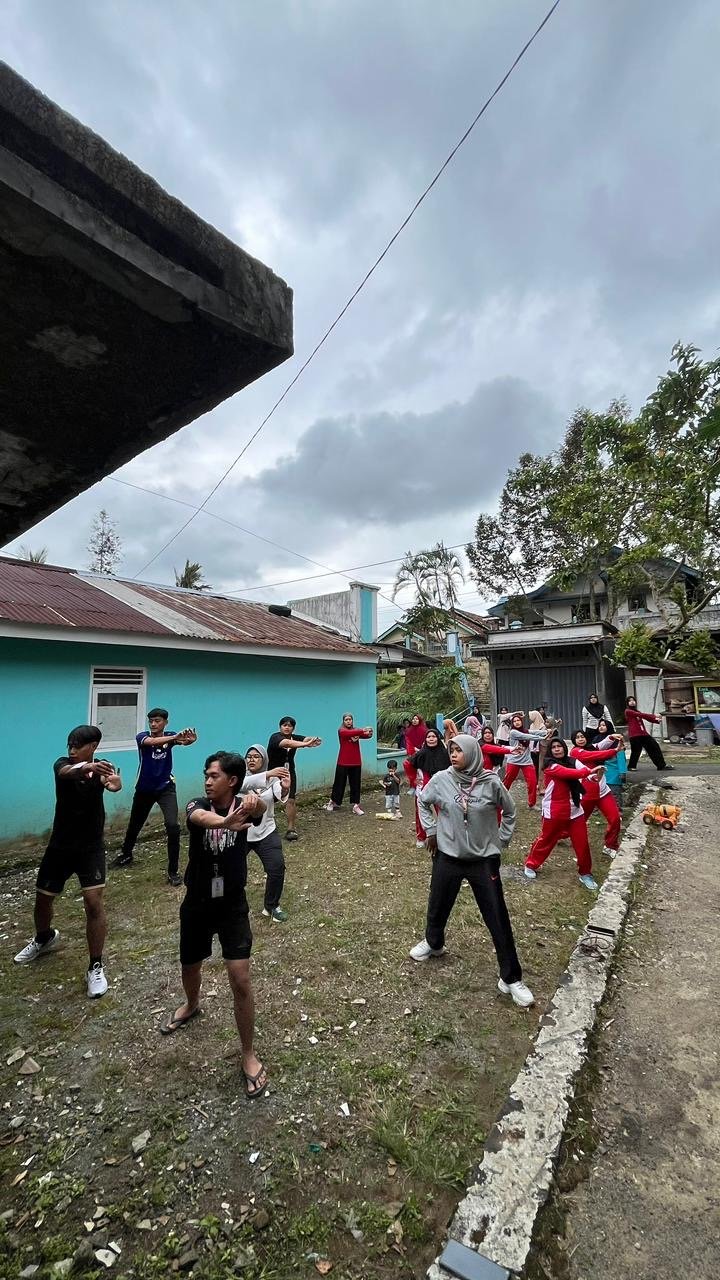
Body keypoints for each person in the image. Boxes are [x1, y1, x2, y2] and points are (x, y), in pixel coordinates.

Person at [160, 751, 268, 1099]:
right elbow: (199, 817)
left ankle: (248, 1053)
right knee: (190, 964)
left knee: (240, 977)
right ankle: (192, 1004)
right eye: (206, 775)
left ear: (232, 781)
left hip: (232, 904)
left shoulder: (244, 805)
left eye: (214, 776)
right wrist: (225, 822)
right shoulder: (198, 804)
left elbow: (261, 809)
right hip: (198, 903)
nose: (207, 781)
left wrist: (254, 804)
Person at [409, 734, 534, 1009]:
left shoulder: (491, 782)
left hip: (482, 859)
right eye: (451, 750)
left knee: (496, 915)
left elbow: (510, 811)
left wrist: (501, 840)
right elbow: (423, 800)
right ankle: (433, 943)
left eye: (459, 750)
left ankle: (511, 978)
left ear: (473, 753)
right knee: (438, 903)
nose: (453, 754)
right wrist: (431, 830)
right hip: (448, 855)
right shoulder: (442, 779)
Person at [14, 725, 122, 998]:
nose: (72, 750)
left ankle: (95, 966)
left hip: (91, 848)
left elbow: (113, 782)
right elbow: (66, 772)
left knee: (94, 904)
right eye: (70, 745)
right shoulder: (62, 765)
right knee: (43, 900)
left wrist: (114, 783)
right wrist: (86, 767)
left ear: (93, 746)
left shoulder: (103, 768)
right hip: (60, 847)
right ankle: (44, 938)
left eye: (78, 746)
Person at [113, 708, 197, 885]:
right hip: (144, 789)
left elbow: (182, 741)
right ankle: (126, 854)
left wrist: (189, 741)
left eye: (157, 721)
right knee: (135, 824)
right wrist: (175, 738)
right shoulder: (142, 737)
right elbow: (152, 741)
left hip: (166, 788)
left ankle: (173, 871)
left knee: (173, 826)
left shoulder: (170, 736)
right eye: (151, 721)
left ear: (165, 722)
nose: (153, 724)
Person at [524, 738, 602, 891]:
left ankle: (585, 873)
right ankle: (531, 864)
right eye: (553, 747)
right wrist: (588, 772)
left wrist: (594, 776)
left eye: (559, 746)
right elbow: (569, 773)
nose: (557, 749)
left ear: (564, 748)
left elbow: (584, 771)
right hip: (554, 811)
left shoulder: (573, 761)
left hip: (575, 811)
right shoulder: (550, 765)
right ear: (550, 751)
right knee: (547, 840)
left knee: (582, 843)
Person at [242, 745, 291, 922]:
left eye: (256, 756)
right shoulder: (239, 777)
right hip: (241, 832)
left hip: (266, 831)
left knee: (276, 868)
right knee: (232, 870)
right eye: (249, 756)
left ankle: (272, 906)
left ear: (264, 760)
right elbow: (243, 785)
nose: (252, 759)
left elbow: (280, 794)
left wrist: (285, 787)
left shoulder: (272, 780)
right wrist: (268, 774)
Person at [570, 729, 625, 858]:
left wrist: (611, 737)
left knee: (615, 818)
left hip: (603, 792)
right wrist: (615, 750)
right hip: (587, 795)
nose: (581, 739)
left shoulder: (591, 747)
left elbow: (601, 745)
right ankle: (559, 834)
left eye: (582, 736)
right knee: (576, 822)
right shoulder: (575, 752)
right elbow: (595, 755)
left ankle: (610, 845)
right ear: (573, 740)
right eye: (577, 737)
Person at [266, 716, 321, 842]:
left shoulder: (294, 737)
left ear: (293, 728)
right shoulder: (275, 737)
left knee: (291, 800)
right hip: (273, 773)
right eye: (284, 725)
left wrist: (313, 740)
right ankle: (265, 825)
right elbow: (287, 743)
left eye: (290, 726)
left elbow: (305, 738)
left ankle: (291, 829)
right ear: (280, 727)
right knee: (269, 799)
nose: (287, 727)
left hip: (289, 773)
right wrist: (306, 744)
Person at [407, 727, 450, 847]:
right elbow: (407, 764)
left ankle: (445, 836)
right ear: (425, 739)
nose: (431, 739)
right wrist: (413, 780)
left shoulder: (445, 753)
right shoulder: (421, 753)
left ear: (438, 738)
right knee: (420, 813)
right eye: (428, 737)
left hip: (441, 788)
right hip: (424, 788)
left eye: (434, 736)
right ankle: (421, 837)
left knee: (443, 811)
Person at [324, 714, 374, 814]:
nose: (348, 721)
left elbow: (367, 735)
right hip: (343, 761)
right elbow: (349, 733)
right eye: (346, 720)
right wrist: (362, 730)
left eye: (350, 719)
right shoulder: (342, 731)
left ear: (352, 720)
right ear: (343, 721)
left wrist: (370, 732)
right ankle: (333, 802)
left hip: (356, 762)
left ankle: (356, 806)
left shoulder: (356, 730)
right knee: (339, 783)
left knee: (356, 784)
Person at [503, 714, 547, 808]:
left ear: (521, 721)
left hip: (527, 761)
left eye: (518, 720)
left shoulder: (525, 730)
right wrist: (543, 738)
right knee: (507, 782)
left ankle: (532, 804)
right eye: (514, 721)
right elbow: (526, 736)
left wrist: (546, 732)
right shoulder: (513, 732)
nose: (517, 722)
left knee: (532, 782)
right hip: (513, 761)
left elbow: (535, 732)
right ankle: (500, 800)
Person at [624, 696, 673, 771]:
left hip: (643, 733)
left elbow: (646, 717)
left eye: (633, 700)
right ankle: (631, 766)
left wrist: (656, 720)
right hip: (634, 735)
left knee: (654, 747)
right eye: (630, 701)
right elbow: (642, 715)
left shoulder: (637, 711)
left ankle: (661, 765)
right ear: (627, 703)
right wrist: (654, 716)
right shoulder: (628, 711)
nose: (632, 702)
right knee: (636, 751)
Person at [596, 716, 627, 805]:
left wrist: (622, 772)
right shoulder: (596, 740)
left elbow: (621, 758)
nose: (601, 727)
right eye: (600, 725)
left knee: (615, 797)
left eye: (603, 725)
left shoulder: (616, 741)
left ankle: (618, 811)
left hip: (614, 775)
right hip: (600, 775)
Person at [402, 714, 428, 793]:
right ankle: (413, 786)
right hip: (413, 753)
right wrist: (414, 749)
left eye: (416, 719)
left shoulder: (425, 730)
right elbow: (408, 743)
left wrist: (422, 750)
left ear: (419, 720)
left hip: (424, 752)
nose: (414, 720)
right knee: (408, 765)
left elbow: (427, 741)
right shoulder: (408, 731)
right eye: (413, 719)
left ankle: (425, 786)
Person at [528, 709, 547, 777]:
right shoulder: (532, 725)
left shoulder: (542, 726)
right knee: (533, 764)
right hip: (531, 748)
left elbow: (541, 737)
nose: (530, 718)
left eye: (531, 716)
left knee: (539, 764)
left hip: (539, 747)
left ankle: (539, 778)